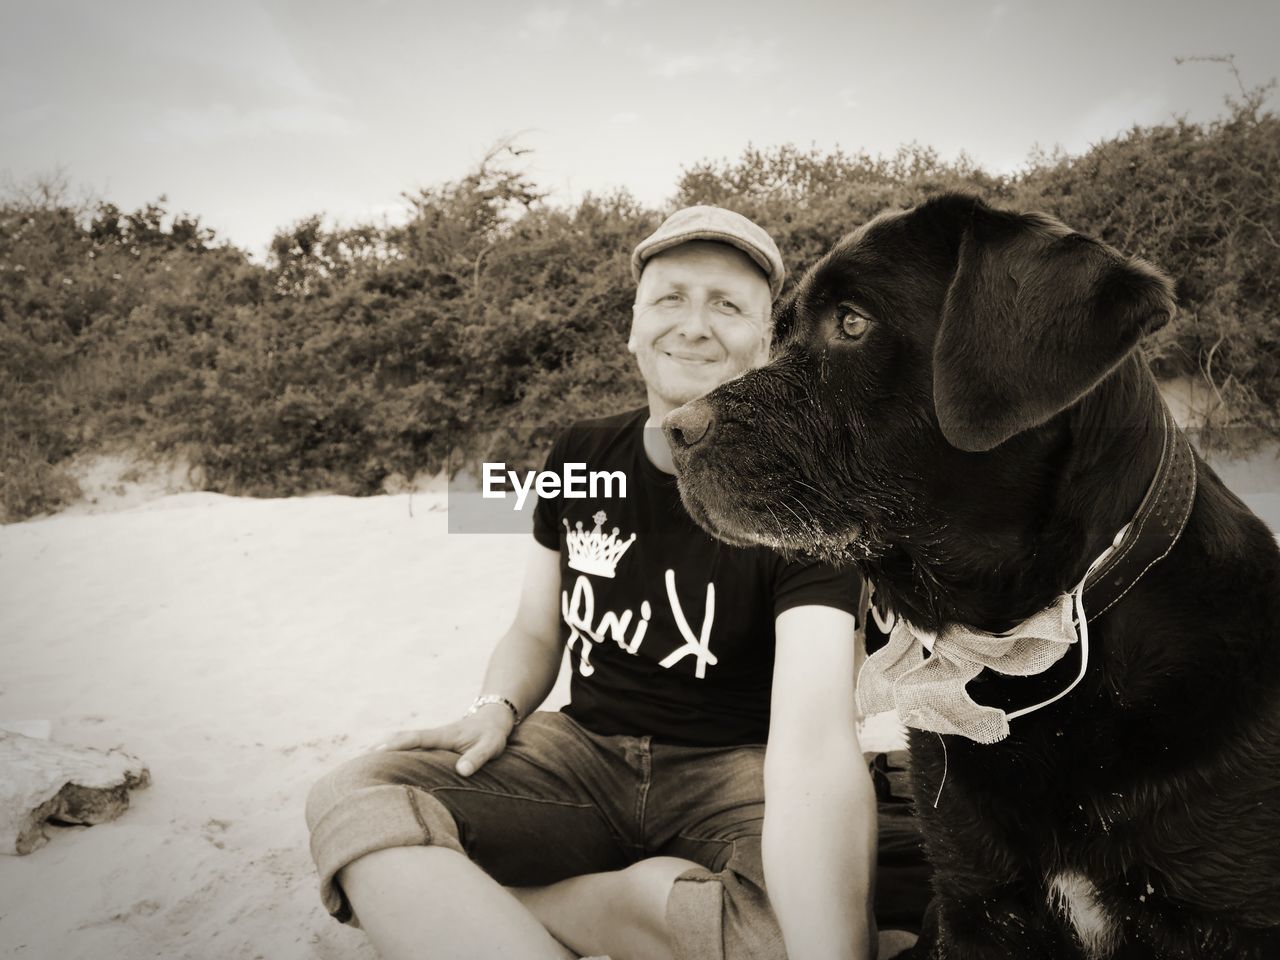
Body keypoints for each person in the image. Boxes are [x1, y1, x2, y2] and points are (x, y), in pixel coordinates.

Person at [305, 206, 892, 960]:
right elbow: (535, 628)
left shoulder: (809, 491)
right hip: (581, 755)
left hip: (736, 773)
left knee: (788, 936)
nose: (694, 324)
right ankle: (632, 901)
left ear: (766, 339)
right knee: (353, 795)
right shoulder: (580, 451)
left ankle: (543, 905)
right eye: (670, 298)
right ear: (633, 327)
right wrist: (496, 706)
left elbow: (813, 739)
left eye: (727, 305)